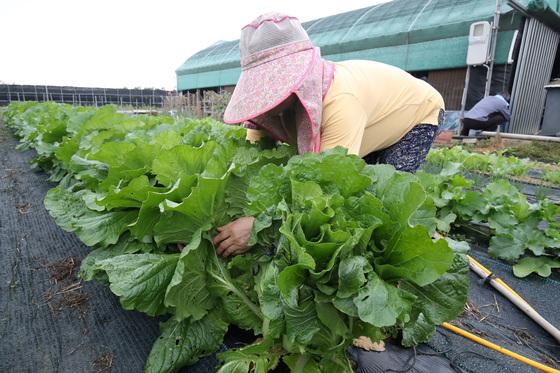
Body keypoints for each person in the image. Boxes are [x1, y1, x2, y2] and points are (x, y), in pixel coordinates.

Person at [212, 13, 445, 258]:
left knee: (381, 206)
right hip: (367, 120)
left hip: (416, 114)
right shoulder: (275, 111)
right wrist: (216, 226)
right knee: (353, 192)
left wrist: (259, 225)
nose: (264, 100)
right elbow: (250, 164)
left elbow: (329, 188)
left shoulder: (341, 102)